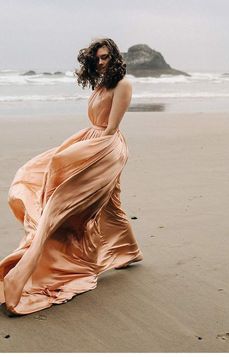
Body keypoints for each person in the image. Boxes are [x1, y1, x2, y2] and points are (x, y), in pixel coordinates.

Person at [0, 38, 143, 316]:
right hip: (92, 140)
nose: (102, 62)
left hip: (106, 148)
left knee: (62, 202)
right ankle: (130, 252)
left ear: (115, 56)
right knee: (111, 204)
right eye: (97, 59)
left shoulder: (122, 84)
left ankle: (38, 263)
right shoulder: (100, 84)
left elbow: (111, 129)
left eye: (105, 57)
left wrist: (69, 156)